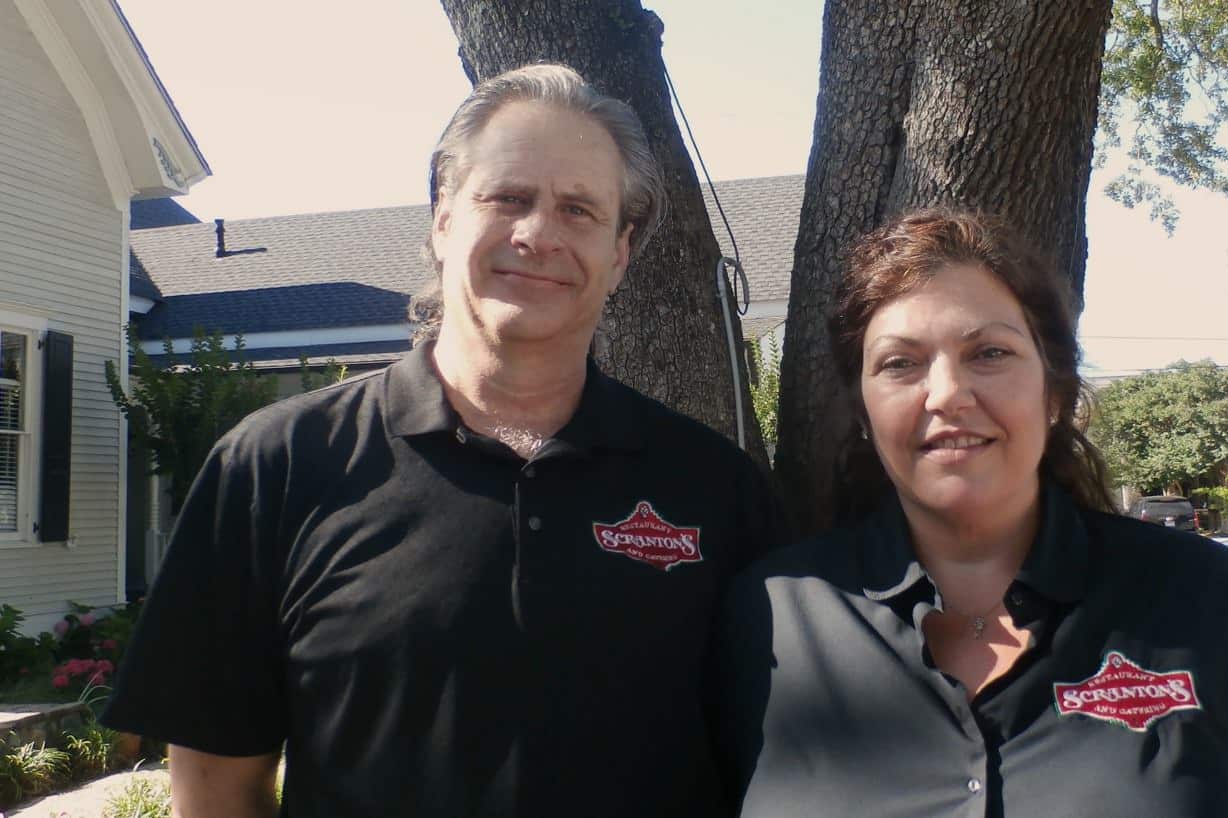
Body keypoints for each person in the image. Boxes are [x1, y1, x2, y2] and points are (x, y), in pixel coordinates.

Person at [102, 64, 780, 818]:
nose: (537, 234)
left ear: (620, 253)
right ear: (443, 219)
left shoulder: (716, 489)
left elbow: (773, 764)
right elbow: (217, 786)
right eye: (509, 198)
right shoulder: (276, 466)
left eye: (579, 210)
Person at [710, 209, 1228, 817]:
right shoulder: (769, 619)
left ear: (1055, 391)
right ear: (863, 411)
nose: (947, 394)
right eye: (900, 364)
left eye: (989, 353)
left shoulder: (1211, 602)